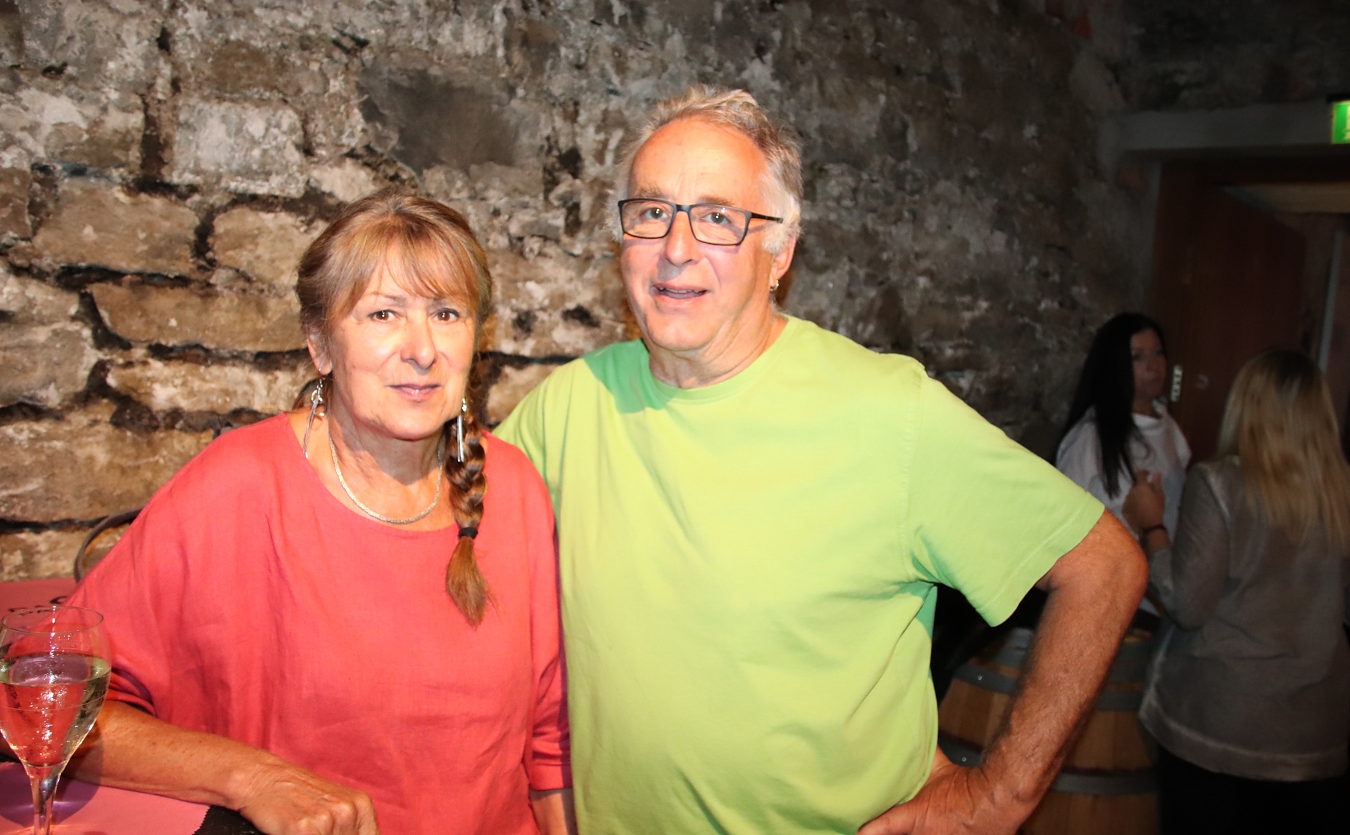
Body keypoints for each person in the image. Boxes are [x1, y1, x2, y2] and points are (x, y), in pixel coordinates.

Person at [495, 86, 1146, 834]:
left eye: (718, 218)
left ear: (780, 253)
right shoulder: (569, 407)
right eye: (651, 212)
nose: (676, 248)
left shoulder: (889, 414)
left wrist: (999, 798)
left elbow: (1104, 565)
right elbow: (444, 545)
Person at [66, 192, 574, 835]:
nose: (422, 349)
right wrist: (252, 778)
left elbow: (550, 745)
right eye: (384, 313)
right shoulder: (239, 488)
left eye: (446, 313)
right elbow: (49, 704)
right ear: (319, 345)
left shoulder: (514, 488)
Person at [1123, 348, 1350, 834]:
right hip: (1316, 730)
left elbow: (1187, 603)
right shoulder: (1340, 492)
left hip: (1222, 726)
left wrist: (1152, 525)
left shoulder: (1221, 484)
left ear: (1246, 406)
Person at [1056, 313, 1190, 618]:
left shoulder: (1169, 427)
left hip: (1161, 593)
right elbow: (1064, 529)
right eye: (1138, 357)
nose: (1154, 366)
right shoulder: (1091, 437)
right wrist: (1132, 521)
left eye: (1158, 353)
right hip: (1112, 601)